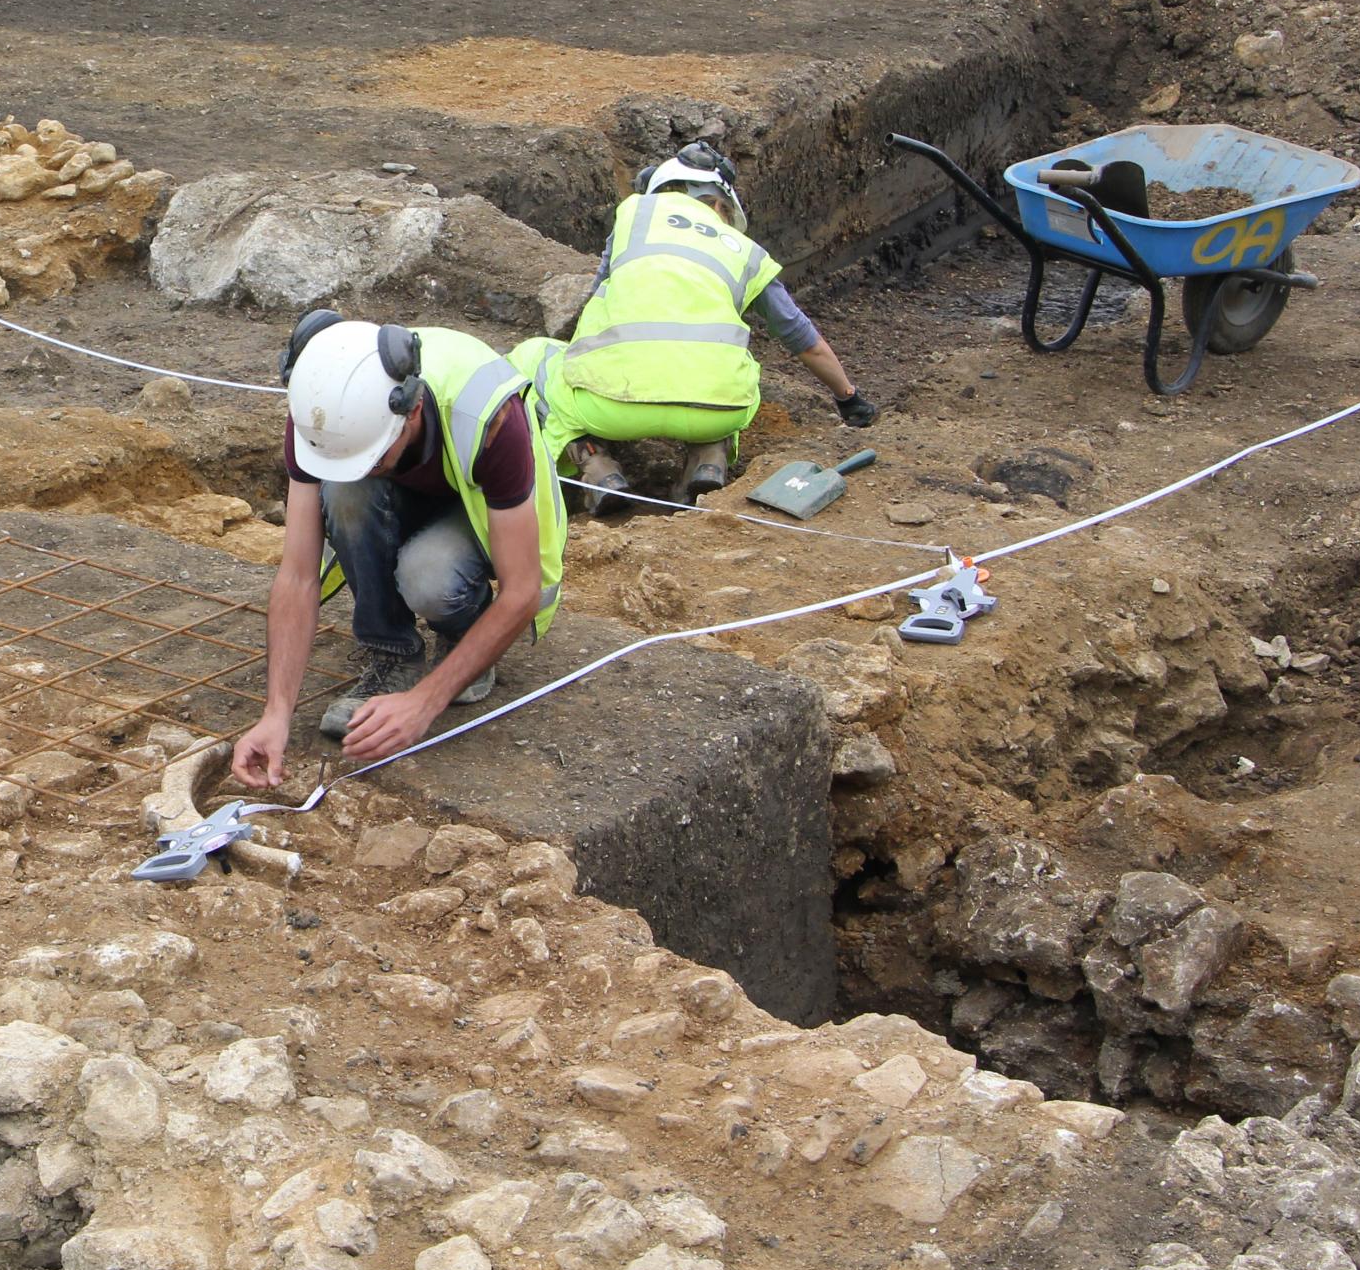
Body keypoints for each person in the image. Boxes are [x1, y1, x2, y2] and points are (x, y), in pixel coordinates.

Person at [230, 315, 566, 789]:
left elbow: (523, 590)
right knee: (344, 495)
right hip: (412, 493)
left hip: (481, 513)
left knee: (429, 575)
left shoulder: (489, 418)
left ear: (410, 412)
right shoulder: (324, 411)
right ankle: (391, 653)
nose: (362, 468)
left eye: (373, 458)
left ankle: (464, 637)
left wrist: (425, 702)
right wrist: (276, 714)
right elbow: (298, 574)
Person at [511, 143, 876, 512]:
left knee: (532, 356)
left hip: (607, 408)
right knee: (733, 366)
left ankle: (594, 463)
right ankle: (709, 455)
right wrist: (850, 398)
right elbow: (803, 340)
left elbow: (597, 297)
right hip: (714, 410)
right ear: (719, 204)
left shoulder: (635, 214)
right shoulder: (746, 250)